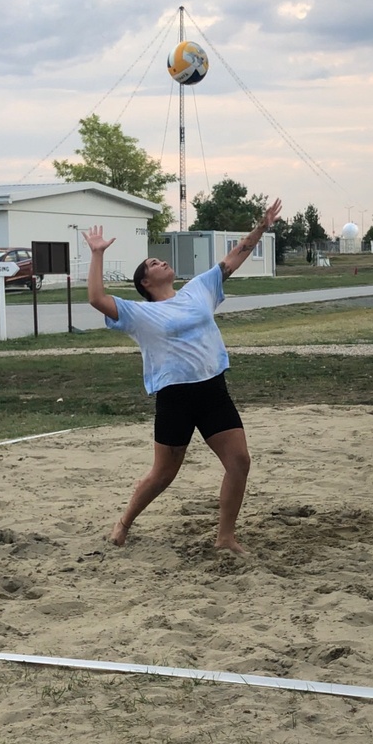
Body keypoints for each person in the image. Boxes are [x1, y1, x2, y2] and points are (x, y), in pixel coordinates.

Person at [83, 200, 281, 552]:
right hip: (175, 397)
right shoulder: (138, 313)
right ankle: (124, 521)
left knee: (239, 462)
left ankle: (225, 537)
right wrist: (97, 253)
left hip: (212, 390)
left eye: (160, 259)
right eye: (153, 263)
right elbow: (97, 298)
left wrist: (262, 226)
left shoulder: (198, 290)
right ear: (145, 281)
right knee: (164, 474)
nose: (161, 261)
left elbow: (235, 254)